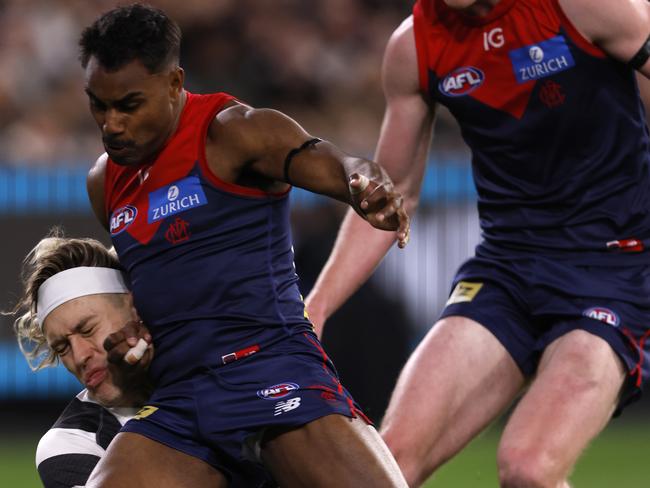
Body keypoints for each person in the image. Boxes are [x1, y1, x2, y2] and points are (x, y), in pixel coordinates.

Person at [305, 0, 650, 486]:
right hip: (506, 273)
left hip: (613, 269)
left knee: (528, 468)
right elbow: (394, 190)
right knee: (386, 467)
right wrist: (316, 307)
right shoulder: (415, 46)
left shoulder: (583, 7)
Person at [80, 4, 409, 487]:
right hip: (181, 397)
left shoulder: (233, 130)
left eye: (128, 105)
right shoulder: (103, 182)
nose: (111, 124)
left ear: (174, 84)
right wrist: (134, 334)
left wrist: (360, 179)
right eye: (98, 105)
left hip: (271, 367)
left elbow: (326, 160)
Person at [9, 234, 159, 487]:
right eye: (62, 347)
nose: (79, 357)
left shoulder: (218, 366)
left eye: (88, 329)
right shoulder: (69, 444)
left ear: (135, 307)